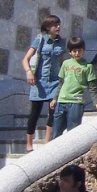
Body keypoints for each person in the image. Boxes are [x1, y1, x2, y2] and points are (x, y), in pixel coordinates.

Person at [50, 37, 97, 137]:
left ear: (83, 51)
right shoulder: (65, 64)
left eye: (79, 51)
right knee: (56, 133)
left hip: (76, 103)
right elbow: (61, 83)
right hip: (62, 101)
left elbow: (92, 87)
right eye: (74, 51)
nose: (77, 53)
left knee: (73, 133)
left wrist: (96, 103)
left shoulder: (88, 66)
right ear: (70, 52)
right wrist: (55, 99)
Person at [23, 14, 65, 151]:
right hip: (39, 81)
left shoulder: (61, 42)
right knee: (34, 112)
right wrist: (29, 72)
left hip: (54, 81)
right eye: (54, 25)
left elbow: (63, 61)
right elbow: (25, 59)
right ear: (47, 27)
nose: (58, 27)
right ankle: (29, 144)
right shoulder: (40, 40)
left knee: (53, 111)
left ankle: (47, 141)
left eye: (58, 24)